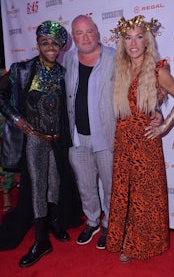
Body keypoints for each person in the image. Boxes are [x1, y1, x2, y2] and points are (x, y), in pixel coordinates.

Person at [63, 15, 163, 250]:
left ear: (97, 32)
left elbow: (140, 83)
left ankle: (110, 224)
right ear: (73, 37)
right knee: (85, 186)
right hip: (77, 137)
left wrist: (155, 110)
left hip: (108, 136)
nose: (85, 37)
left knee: (112, 187)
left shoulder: (116, 58)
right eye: (79, 33)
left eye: (89, 31)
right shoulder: (67, 59)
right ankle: (92, 220)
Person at [105, 15, 174, 262]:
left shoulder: (156, 69)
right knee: (124, 192)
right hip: (123, 140)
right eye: (128, 38)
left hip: (145, 142)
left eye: (139, 37)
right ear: (123, 42)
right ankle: (124, 238)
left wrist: (163, 126)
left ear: (146, 42)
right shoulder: (121, 69)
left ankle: (138, 245)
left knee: (144, 195)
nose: (133, 43)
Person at [0, 20, 82, 267]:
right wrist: (17, 119)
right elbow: (1, 97)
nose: (50, 48)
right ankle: (40, 240)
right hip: (34, 139)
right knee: (37, 186)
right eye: (45, 43)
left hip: (58, 140)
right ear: (37, 45)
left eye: (55, 44)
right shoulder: (21, 70)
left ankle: (54, 222)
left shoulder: (64, 73)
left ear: (61, 48)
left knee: (55, 183)